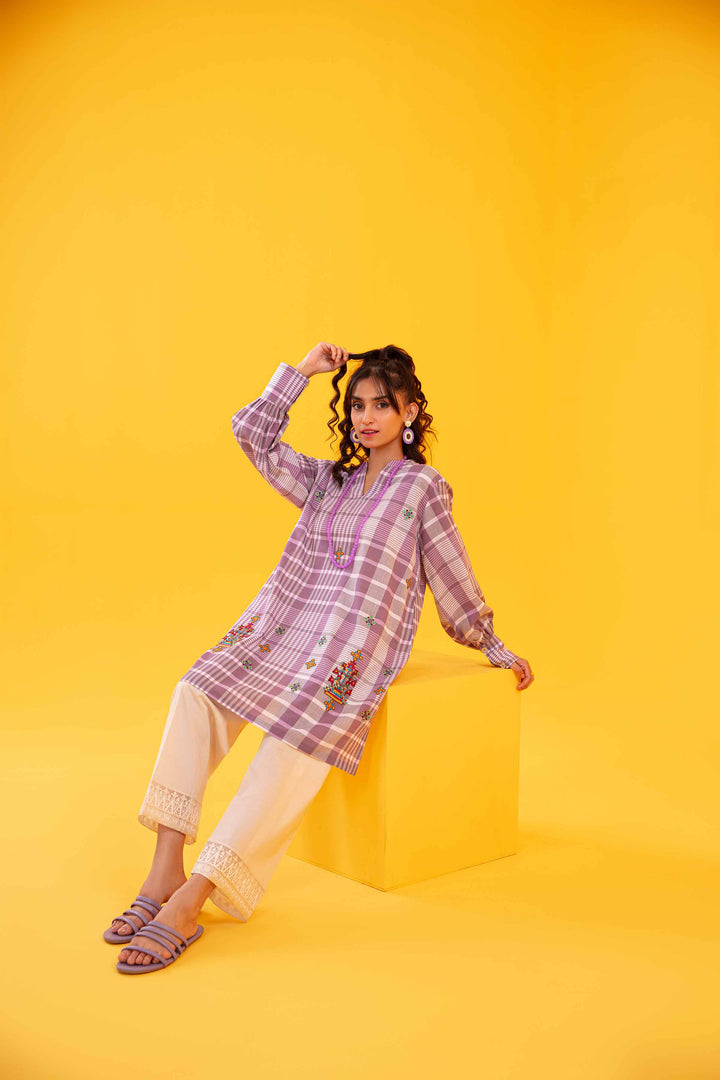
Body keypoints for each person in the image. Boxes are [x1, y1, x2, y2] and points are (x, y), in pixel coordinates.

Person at [106, 341, 534, 974]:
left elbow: (451, 573)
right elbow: (251, 435)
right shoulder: (327, 480)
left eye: (382, 405)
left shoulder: (423, 489)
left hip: (350, 655)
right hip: (283, 629)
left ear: (410, 412)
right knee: (196, 689)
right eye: (357, 405)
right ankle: (166, 865)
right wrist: (303, 371)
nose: (366, 417)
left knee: (292, 745)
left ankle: (194, 896)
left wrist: (490, 644)